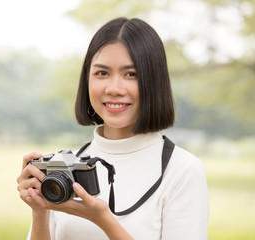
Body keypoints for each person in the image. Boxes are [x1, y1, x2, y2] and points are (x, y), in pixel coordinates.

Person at [17, 17, 209, 240]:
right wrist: (40, 212)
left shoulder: (182, 171)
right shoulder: (66, 167)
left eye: (131, 74)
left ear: (154, 82)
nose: (115, 88)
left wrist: (105, 222)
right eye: (102, 73)